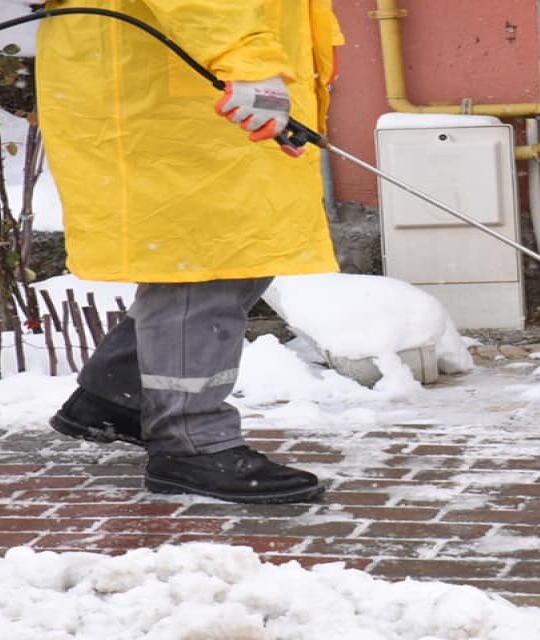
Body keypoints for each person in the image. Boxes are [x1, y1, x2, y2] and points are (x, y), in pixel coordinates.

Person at [34, 0, 343, 504]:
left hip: (194, 85)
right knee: (203, 266)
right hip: (176, 98)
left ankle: (118, 396)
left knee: (233, 257)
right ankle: (192, 445)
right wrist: (248, 63)